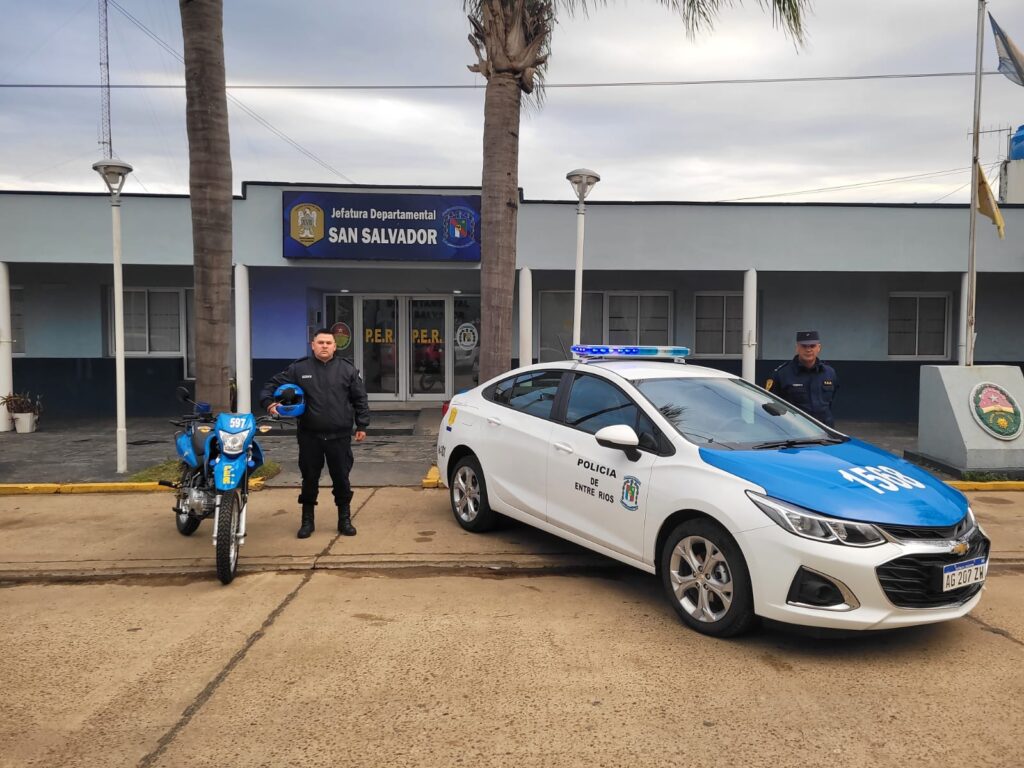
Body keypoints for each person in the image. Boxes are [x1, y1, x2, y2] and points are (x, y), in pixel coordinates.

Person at [259, 329, 370, 539]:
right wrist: (268, 403)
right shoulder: (299, 369)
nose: (324, 346)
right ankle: (307, 521)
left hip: (339, 436)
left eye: (328, 343)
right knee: (309, 479)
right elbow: (270, 385)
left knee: (341, 479)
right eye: (320, 342)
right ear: (313, 345)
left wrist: (362, 425)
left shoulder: (347, 369)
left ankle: (344, 520)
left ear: (335, 346)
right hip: (310, 436)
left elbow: (360, 399)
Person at [765, 330, 837, 427]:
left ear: (819, 348)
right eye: (804, 346)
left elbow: (830, 402)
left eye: (812, 346)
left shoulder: (829, 373)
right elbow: (771, 405)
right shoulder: (782, 374)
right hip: (795, 430)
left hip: (824, 430)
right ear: (797, 348)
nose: (808, 350)